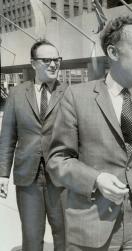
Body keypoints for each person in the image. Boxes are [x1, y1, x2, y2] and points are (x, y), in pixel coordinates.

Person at [46, 16, 132, 251]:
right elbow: (57, 161)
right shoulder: (76, 97)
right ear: (114, 53)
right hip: (93, 223)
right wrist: (96, 179)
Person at [0, 40, 67, 251]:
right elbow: (7, 137)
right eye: (46, 60)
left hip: (61, 177)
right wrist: (2, 175)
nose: (53, 64)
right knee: (31, 235)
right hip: (27, 177)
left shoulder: (70, 94)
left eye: (56, 59)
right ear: (33, 63)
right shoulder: (17, 94)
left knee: (64, 233)